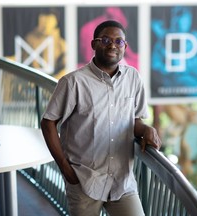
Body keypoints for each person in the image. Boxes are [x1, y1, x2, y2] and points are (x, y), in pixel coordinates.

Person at [41, 20, 162, 216]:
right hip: (84, 180)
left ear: (125, 47)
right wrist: (66, 169)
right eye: (105, 39)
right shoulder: (73, 82)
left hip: (122, 182)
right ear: (93, 44)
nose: (112, 45)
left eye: (118, 41)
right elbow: (48, 123)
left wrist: (148, 130)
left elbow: (135, 121)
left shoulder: (134, 78)